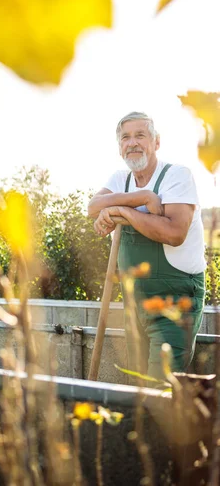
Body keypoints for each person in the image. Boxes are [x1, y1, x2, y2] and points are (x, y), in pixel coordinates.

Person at [88, 111, 206, 378]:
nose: (133, 143)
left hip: (175, 302)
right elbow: (93, 207)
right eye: (125, 138)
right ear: (120, 148)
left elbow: (175, 233)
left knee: (161, 388)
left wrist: (126, 213)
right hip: (135, 304)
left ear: (156, 142)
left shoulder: (177, 176)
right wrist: (141, 196)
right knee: (139, 389)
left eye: (140, 135)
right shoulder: (122, 180)